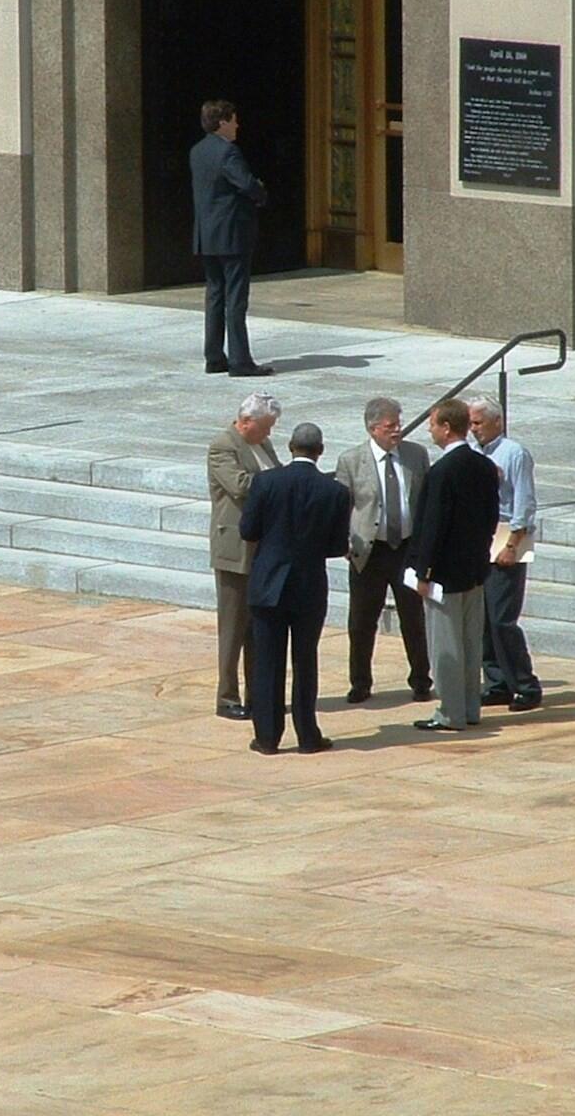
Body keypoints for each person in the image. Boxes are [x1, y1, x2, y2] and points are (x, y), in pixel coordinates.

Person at [240, 422, 351, 754]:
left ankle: (267, 737)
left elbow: (248, 530)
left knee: (267, 662)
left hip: (268, 584)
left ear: (290, 447)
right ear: (320, 451)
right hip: (308, 586)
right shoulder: (335, 491)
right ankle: (307, 735)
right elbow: (336, 546)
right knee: (305, 661)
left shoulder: (266, 482)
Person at [333, 397, 433, 704]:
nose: (397, 431)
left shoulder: (416, 455)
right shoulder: (351, 460)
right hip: (369, 551)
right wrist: (345, 544)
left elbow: (425, 501)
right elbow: (341, 507)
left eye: (399, 424)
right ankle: (360, 682)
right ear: (373, 428)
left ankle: (420, 680)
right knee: (362, 621)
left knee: (413, 618)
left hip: (406, 548)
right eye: (390, 426)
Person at [407, 399, 499, 732]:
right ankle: (470, 707)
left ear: (447, 428)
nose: (430, 431)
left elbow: (433, 526)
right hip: (474, 570)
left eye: (433, 425)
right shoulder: (483, 465)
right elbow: (491, 518)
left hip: (444, 575)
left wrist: (423, 572)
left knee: (446, 646)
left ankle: (450, 712)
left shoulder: (442, 471)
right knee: (470, 642)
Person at [206, 392, 282, 719]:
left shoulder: (261, 444)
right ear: (246, 421)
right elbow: (241, 486)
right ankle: (227, 696)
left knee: (257, 627)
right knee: (233, 627)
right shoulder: (223, 446)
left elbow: (274, 474)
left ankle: (257, 693)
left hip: (264, 547)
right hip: (235, 549)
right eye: (264, 427)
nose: (268, 434)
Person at [469, 395, 543, 712]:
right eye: (471, 423)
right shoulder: (474, 453)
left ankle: (525, 684)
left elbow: (524, 504)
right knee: (483, 618)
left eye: (478, 423)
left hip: (507, 536)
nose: (474, 430)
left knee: (502, 618)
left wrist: (512, 544)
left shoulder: (514, 454)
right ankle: (496, 681)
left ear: (497, 422)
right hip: (481, 538)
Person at [191, 99, 272, 377]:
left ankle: (214, 356)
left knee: (215, 295)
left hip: (207, 235)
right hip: (232, 235)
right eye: (233, 120)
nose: (237, 125)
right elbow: (246, 184)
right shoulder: (228, 153)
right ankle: (240, 360)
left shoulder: (197, 151)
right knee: (236, 299)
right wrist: (260, 191)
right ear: (222, 122)